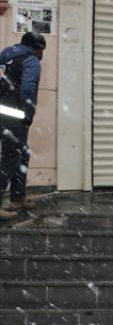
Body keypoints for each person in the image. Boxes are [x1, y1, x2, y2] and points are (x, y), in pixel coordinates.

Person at [0, 32, 46, 219]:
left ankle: (18, 198)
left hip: (2, 110)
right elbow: (28, 87)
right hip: (14, 114)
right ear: (38, 48)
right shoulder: (31, 60)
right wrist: (28, 113)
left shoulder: (6, 54)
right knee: (10, 158)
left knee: (22, 152)